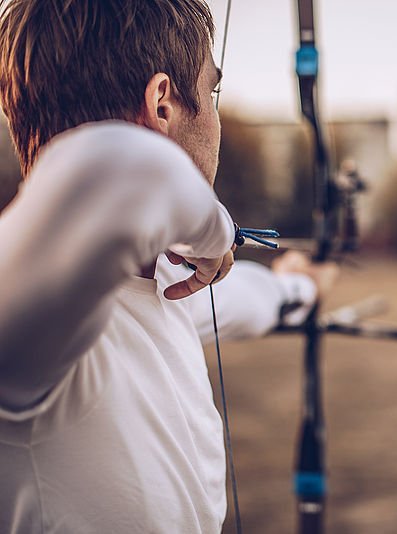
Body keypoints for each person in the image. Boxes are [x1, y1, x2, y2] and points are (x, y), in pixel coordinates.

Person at [0, 0, 337, 532]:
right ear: (162, 104)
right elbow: (118, 164)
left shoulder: (154, 287)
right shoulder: (29, 317)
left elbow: (234, 302)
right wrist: (215, 230)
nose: (215, 116)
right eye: (212, 91)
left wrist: (295, 288)